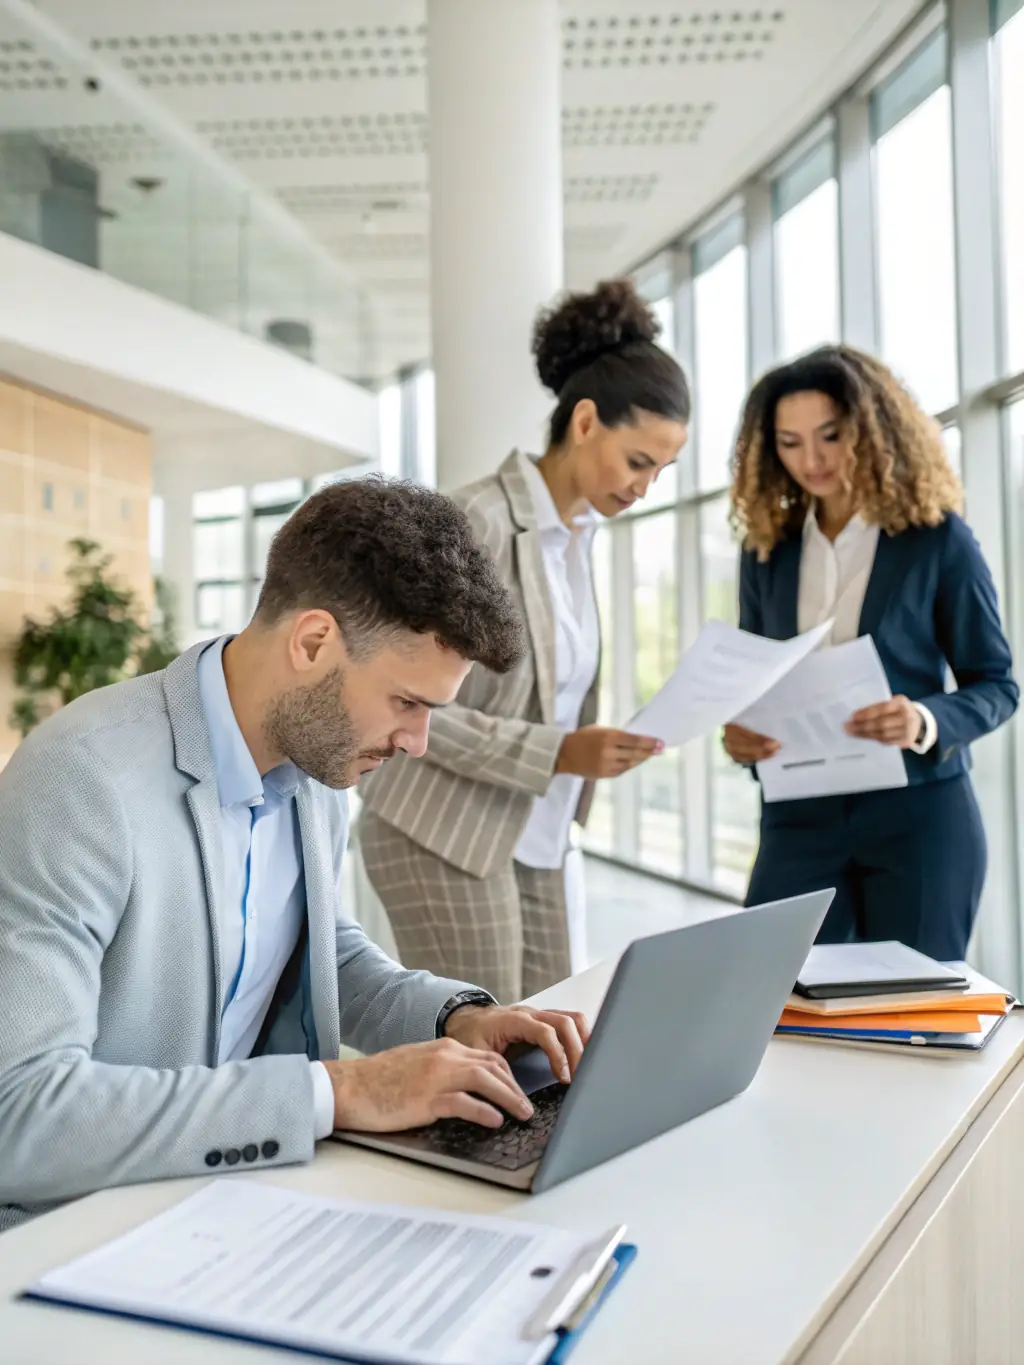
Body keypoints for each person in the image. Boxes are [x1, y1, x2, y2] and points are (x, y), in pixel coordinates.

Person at [0, 478, 591, 1234]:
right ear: (312, 643)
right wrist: (341, 1091)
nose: (418, 742)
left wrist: (457, 1016)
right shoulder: (81, 781)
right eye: (408, 702)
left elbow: (319, 948)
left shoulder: (317, 765)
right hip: (78, 1224)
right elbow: (19, 1111)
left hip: (228, 1200)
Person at [359, 280, 691, 1002]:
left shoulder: (577, 539)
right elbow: (401, 696)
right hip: (441, 829)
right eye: (638, 461)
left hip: (532, 831)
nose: (647, 486)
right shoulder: (472, 520)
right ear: (584, 422)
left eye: (664, 470)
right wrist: (561, 753)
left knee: (552, 1046)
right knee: (490, 1056)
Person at [724, 345, 1018, 959]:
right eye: (790, 442)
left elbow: (997, 683)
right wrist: (740, 737)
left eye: (830, 435)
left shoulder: (937, 538)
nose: (813, 460)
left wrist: (924, 718)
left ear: (870, 428)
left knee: (915, 1026)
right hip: (798, 818)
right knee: (775, 1001)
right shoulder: (766, 552)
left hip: (919, 818)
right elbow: (755, 683)